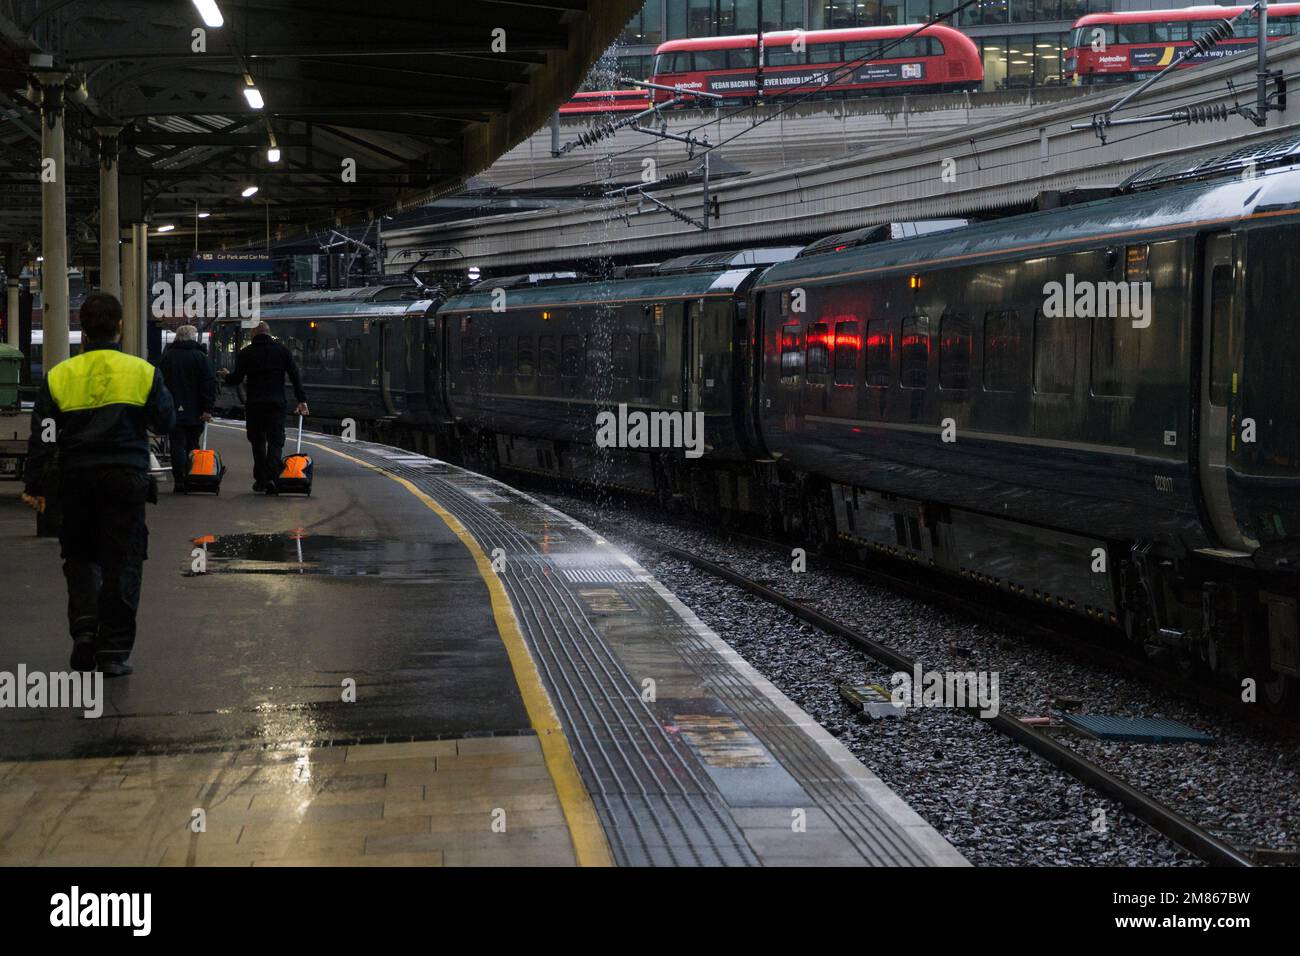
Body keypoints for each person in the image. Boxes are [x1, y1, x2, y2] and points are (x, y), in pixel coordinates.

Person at [21, 293, 175, 676]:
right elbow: (165, 421)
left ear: (82, 331)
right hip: (125, 480)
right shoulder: (142, 372)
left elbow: (43, 435)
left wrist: (36, 484)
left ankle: (85, 633)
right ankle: (114, 651)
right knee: (124, 561)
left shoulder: (59, 376)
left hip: (75, 480)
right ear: (120, 327)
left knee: (80, 557)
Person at [219, 321, 308, 495]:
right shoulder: (282, 351)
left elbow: (236, 379)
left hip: (255, 405)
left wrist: (226, 376)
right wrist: (301, 399)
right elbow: (295, 375)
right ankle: (271, 478)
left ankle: (261, 480)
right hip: (276, 404)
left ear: (253, 335)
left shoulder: (247, 353)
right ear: (269, 333)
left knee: (258, 441)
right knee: (276, 441)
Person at [157, 324, 216, 492]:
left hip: (173, 409)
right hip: (196, 411)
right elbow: (208, 384)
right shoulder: (200, 357)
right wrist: (208, 409)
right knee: (192, 444)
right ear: (192, 337)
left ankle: (179, 481)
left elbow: (160, 384)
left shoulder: (167, 357)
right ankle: (193, 477)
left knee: (177, 444)